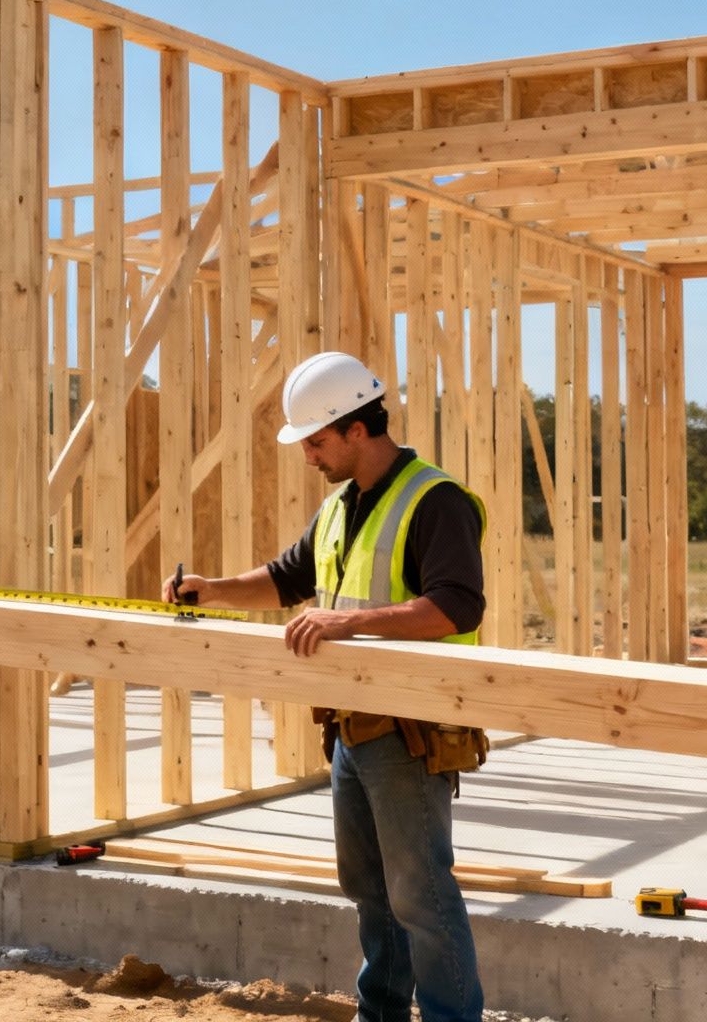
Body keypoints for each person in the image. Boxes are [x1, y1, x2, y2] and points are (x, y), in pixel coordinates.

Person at [163, 350, 488, 1022]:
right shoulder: (341, 507)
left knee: (421, 895)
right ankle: (383, 1014)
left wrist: (347, 622)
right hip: (352, 730)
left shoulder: (436, 501)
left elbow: (457, 606)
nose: (308, 456)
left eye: (315, 441)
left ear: (356, 430)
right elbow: (288, 578)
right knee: (369, 891)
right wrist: (213, 591)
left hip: (411, 733)